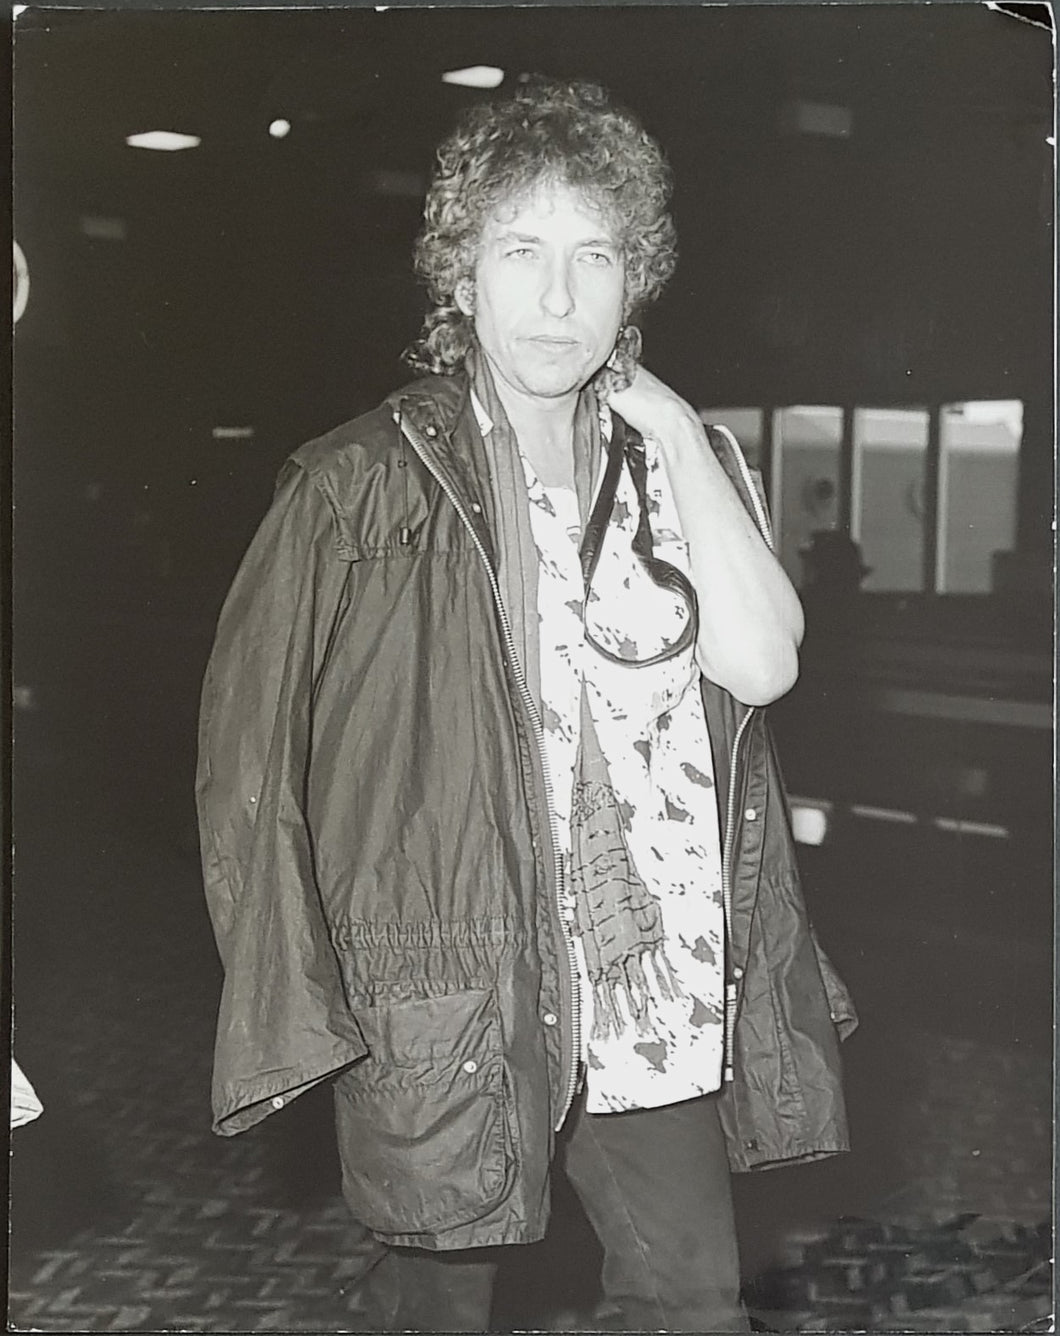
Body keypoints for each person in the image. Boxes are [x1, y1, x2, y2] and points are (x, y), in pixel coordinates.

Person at [196, 77, 858, 1333]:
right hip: (456, 985)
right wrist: (299, 1008)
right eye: (520, 252)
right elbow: (246, 767)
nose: (557, 299)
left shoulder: (680, 461)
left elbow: (764, 665)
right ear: (459, 276)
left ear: (635, 281)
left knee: (691, 1297)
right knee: (433, 1308)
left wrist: (670, 426)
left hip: (651, 970)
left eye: (593, 257)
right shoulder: (358, 486)